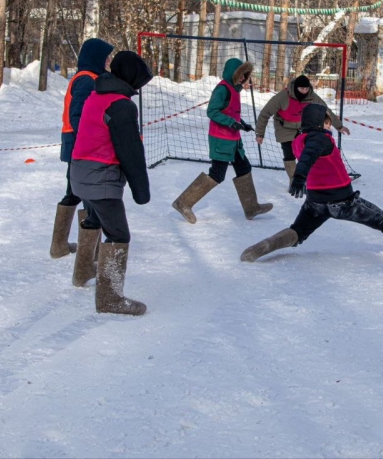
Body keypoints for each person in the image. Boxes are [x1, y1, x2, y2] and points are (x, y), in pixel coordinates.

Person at [241, 104, 383, 262]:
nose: (330, 126)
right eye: (327, 122)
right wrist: (300, 176)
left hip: (315, 202)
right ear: (321, 123)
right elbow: (311, 153)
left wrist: (301, 175)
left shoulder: (298, 140)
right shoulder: (320, 139)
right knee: (382, 219)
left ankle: (264, 246)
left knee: (298, 231)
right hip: (343, 202)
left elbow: (307, 156)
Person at [69, 51, 153, 316]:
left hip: (80, 173)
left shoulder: (98, 94)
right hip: (100, 177)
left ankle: (82, 272)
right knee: (118, 235)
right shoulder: (122, 106)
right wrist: (141, 191)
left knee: (93, 219)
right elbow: (130, 150)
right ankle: (110, 299)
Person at [172, 58, 272, 223]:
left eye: (244, 75)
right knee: (217, 175)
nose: (242, 78)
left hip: (233, 139)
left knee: (244, 168)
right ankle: (183, 203)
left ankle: (251, 207)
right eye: (240, 75)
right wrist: (231, 123)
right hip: (221, 139)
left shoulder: (234, 90)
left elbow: (231, 113)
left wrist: (242, 124)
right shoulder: (222, 90)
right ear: (233, 74)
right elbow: (212, 111)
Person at [50, 38, 114, 259]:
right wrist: (89, 140)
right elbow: (78, 115)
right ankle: (90, 251)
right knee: (89, 194)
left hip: (75, 143)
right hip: (80, 145)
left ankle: (59, 245)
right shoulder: (87, 80)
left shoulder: (90, 77)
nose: (108, 61)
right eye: (105, 57)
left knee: (73, 192)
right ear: (96, 57)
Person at [254, 74, 350, 184]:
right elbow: (265, 113)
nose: (304, 91)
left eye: (306, 88)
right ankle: (294, 180)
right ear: (296, 87)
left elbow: (326, 111)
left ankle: (307, 177)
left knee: (306, 152)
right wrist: (260, 134)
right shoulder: (282, 97)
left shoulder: (312, 96)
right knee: (289, 153)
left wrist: (339, 126)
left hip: (302, 127)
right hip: (284, 127)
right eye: (302, 88)